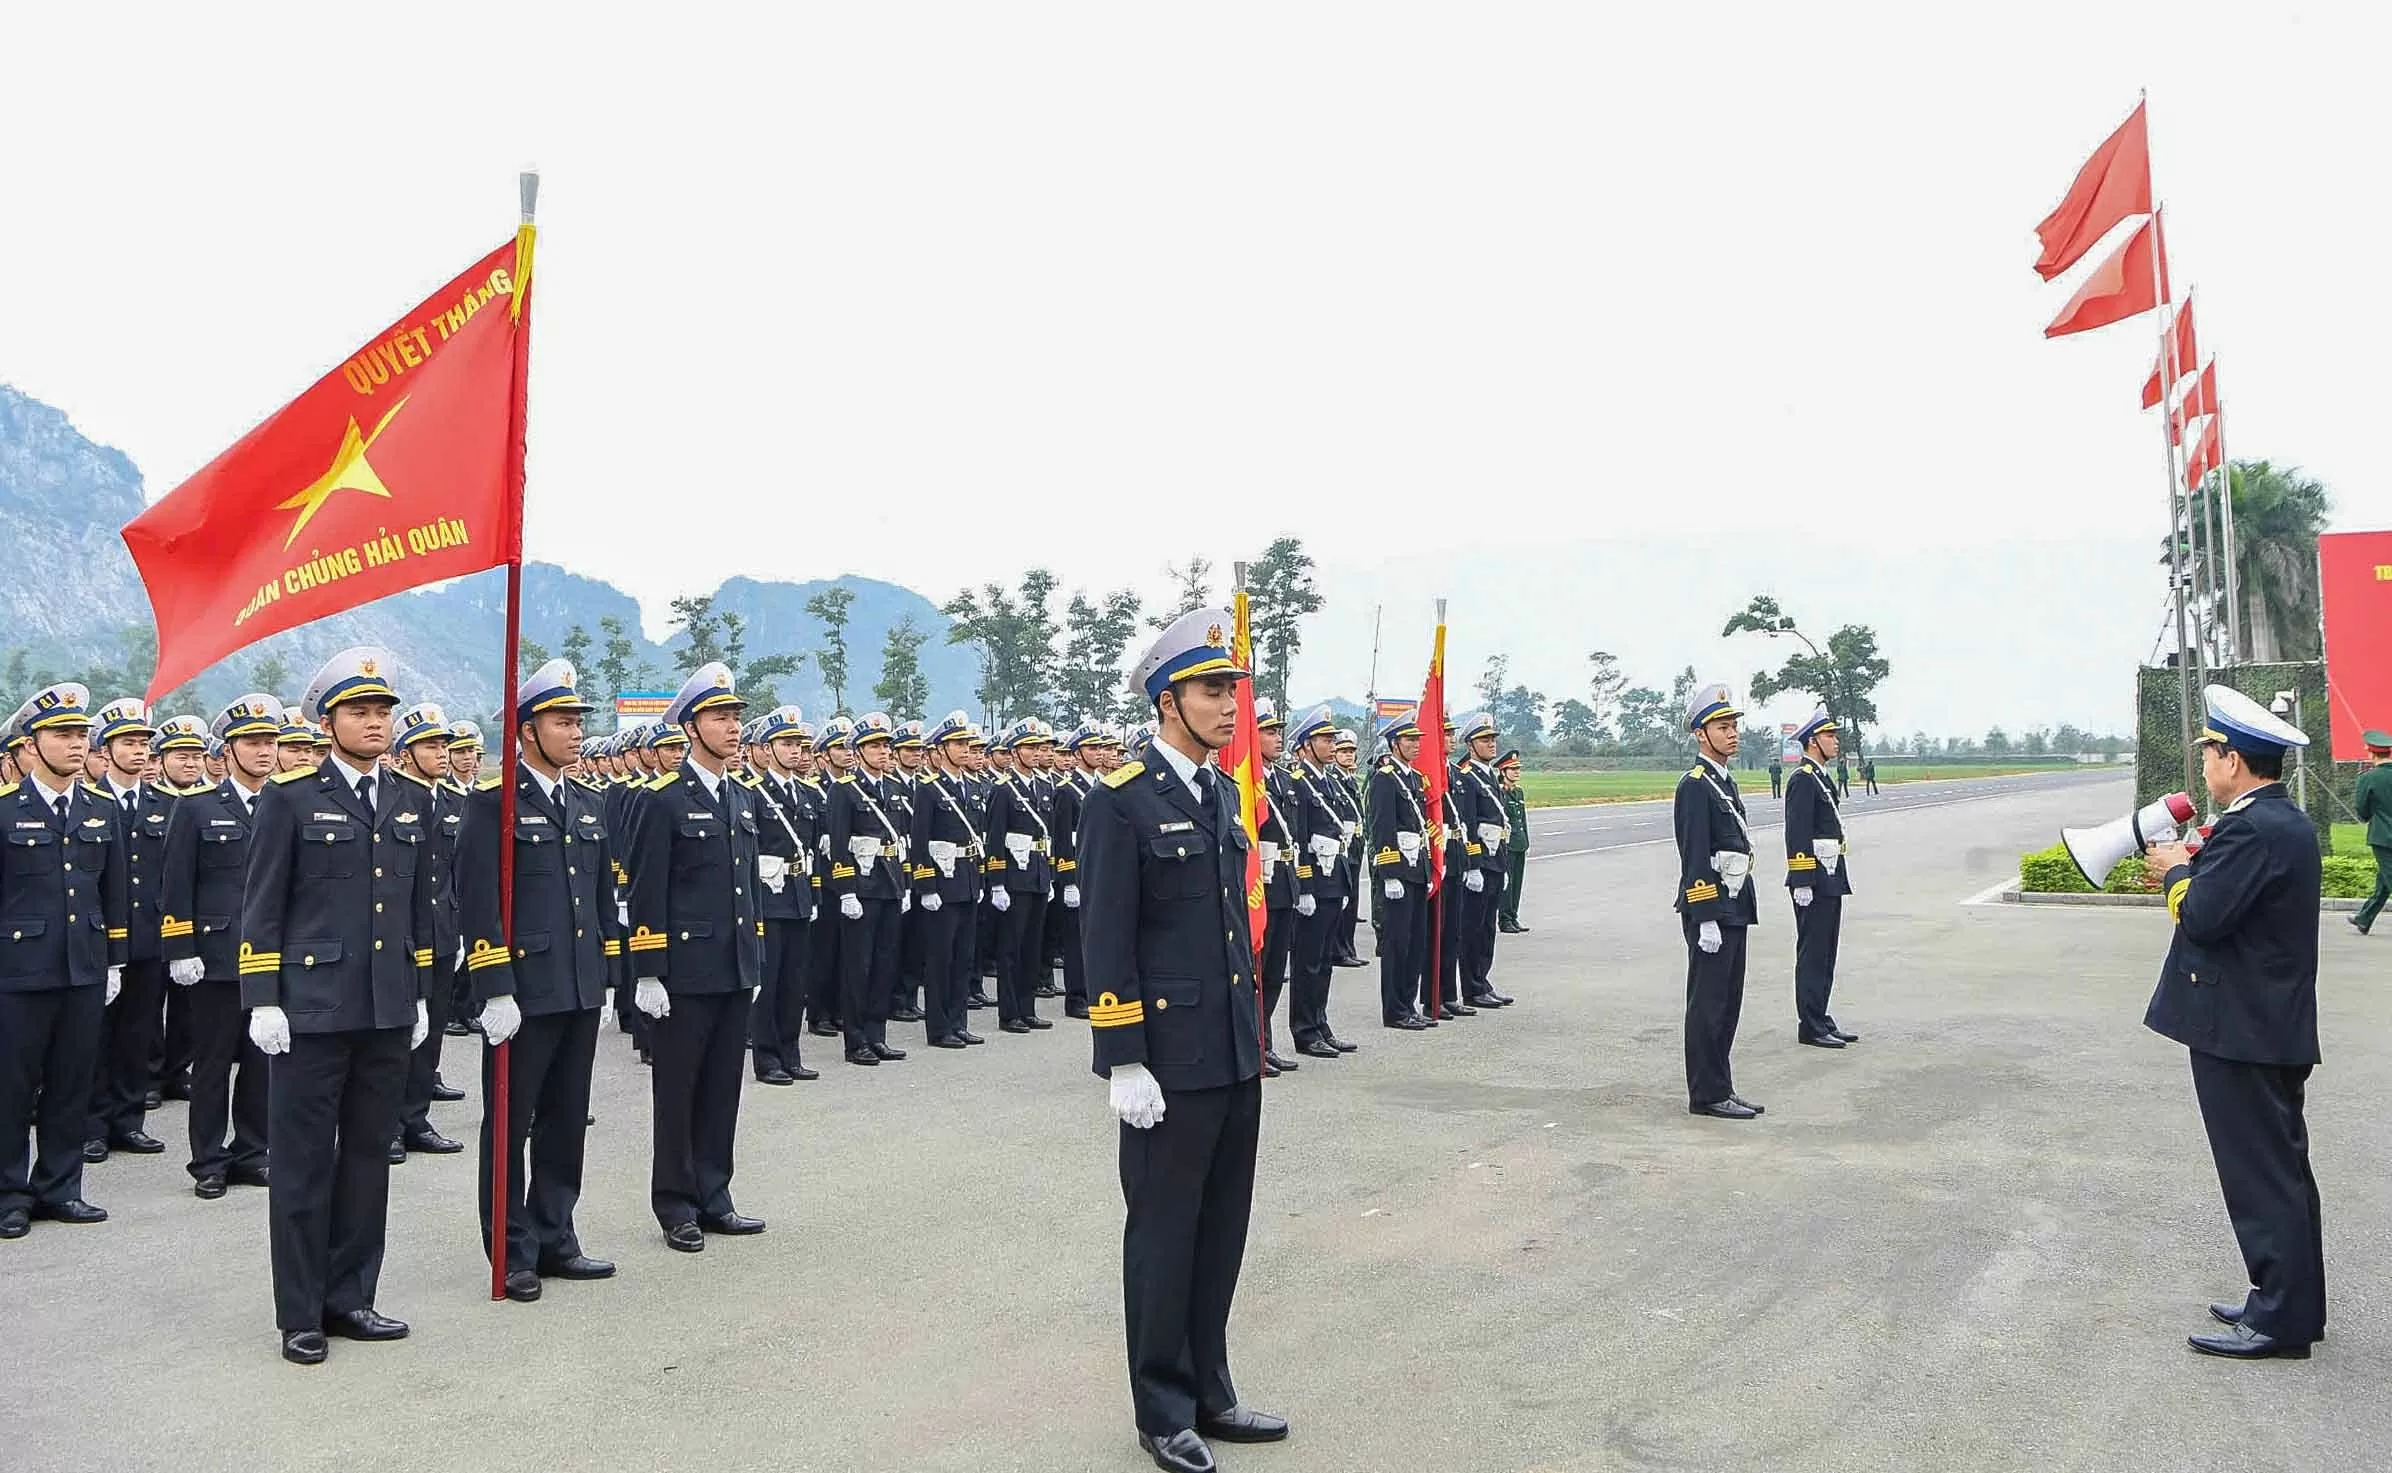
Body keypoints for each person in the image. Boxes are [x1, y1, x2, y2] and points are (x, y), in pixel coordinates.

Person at [1080, 608, 1285, 1473]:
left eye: (1235, 689)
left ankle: (1212, 1387)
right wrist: (1122, 1054)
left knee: (1221, 1230)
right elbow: (1106, 935)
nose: (1231, 705)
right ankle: (1162, 1408)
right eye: (1212, 690)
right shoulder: (1121, 801)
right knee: (1164, 1236)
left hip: (1232, 1052)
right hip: (1167, 1061)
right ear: (1169, 701)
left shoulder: (1214, 791)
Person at [240, 648, 436, 1364]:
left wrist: (418, 994)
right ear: (328, 721)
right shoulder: (289, 797)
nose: (376, 721)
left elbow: (418, 910)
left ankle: (352, 1294)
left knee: (366, 1160)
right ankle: (300, 1311)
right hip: (311, 1010)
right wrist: (262, 996)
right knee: (301, 1165)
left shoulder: (411, 798)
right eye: (360, 710)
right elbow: (262, 905)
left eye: (383, 711)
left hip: (385, 1009)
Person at [2142, 686, 2327, 1360]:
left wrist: (2176, 871)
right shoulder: (2283, 822)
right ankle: (2292, 1303)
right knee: (2284, 1170)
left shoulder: (2250, 827)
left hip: (2242, 1029)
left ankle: (2279, 1320)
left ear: (2234, 760)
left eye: (2212, 752)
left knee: (2260, 1176)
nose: (2208, 764)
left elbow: (2203, 917)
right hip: (2268, 1025)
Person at [458, 659, 621, 1302]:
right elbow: (476, 902)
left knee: (565, 1120)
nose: (576, 732)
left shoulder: (588, 802)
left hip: (577, 986)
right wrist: (492, 985)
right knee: (510, 1123)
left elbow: (601, 898)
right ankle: (511, 1249)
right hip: (522, 991)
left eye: (580, 721)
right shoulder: (492, 806)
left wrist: (606, 977)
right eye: (562, 721)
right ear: (526, 732)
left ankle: (557, 1236)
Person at [623, 662, 768, 1251]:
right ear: (690, 726)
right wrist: (648, 971)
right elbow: (645, 887)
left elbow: (747, 887)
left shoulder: (740, 796)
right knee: (678, 1090)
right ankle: (676, 1202)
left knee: (721, 1090)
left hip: (732, 968)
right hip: (683, 973)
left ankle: (716, 1193)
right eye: (719, 717)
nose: (733, 728)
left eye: (736, 717)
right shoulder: (663, 800)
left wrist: (751, 958)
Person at [0, 684, 125, 1241]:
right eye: (63, 735)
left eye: (82, 735)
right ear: (32, 745)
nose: (77, 745)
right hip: (18, 972)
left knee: (72, 1083)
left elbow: (115, 893)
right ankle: (9, 1194)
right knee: (12, 1086)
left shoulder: (101, 809)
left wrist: (114, 961)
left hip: (83, 967)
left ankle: (60, 1187)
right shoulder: (8, 811)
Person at [158, 695, 281, 1200]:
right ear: (226, 752)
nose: (264, 751)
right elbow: (175, 883)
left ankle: (253, 1152)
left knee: (261, 1063)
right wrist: (179, 947)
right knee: (211, 1065)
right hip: (214, 958)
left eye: (270, 742)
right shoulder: (197, 807)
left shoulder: (284, 801)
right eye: (252, 743)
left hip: (270, 958)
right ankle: (208, 1159)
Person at [1674, 682, 1762, 1121]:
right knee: (1708, 1005)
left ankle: (1721, 1085)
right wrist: (1705, 915)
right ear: (1700, 734)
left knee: (1728, 1003)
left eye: (1732, 726)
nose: (1732, 734)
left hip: (1735, 905)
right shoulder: (1695, 786)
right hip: (1712, 911)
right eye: (1721, 727)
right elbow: (1694, 854)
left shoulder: (1722, 782)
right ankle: (1705, 1094)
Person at [390, 702, 467, 1160]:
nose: (441, 753)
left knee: (432, 1030)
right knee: (401, 1035)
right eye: (430, 746)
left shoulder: (455, 803)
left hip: (443, 932)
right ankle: (388, 1126)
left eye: (443, 745)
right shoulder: (394, 797)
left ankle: (416, 1118)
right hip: (402, 936)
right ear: (405, 753)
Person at [827, 712, 913, 1065]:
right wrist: (846, 890)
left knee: (884, 965)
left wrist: (905, 884)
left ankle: (877, 1034)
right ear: (858, 752)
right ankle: (856, 1039)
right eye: (874, 746)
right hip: (861, 889)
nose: (882, 752)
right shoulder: (844, 791)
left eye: (885, 745)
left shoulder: (893, 788)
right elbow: (838, 842)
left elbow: (902, 840)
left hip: (890, 886)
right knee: (857, 968)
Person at [744, 707, 820, 1083]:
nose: (794, 751)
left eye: (797, 744)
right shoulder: (754, 794)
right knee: (770, 983)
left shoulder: (805, 794)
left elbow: (813, 853)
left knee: (794, 983)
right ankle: (768, 1058)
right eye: (786, 744)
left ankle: (791, 1053)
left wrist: (815, 896)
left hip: (798, 896)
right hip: (768, 897)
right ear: (766, 749)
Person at [1282, 704, 1357, 1060]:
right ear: (1305, 746)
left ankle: (1320, 1022)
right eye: (1324, 739)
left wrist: (1341, 885)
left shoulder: (1329, 782)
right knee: (1308, 962)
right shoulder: (1299, 784)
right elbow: (1299, 840)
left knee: (1324, 960)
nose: (1332, 744)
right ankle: (1305, 1030)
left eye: (1332, 738)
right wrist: (1306, 888)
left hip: (1333, 882)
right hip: (1315, 885)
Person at [1784, 705, 1860, 1050]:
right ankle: (1810, 1024)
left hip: (1829, 875)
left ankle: (1821, 1016)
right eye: (1830, 736)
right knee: (1813, 952)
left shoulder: (1821, 778)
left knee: (1826, 951)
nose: (1836, 741)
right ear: (1813, 741)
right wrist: (1801, 880)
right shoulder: (1802, 780)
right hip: (1812, 879)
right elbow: (1796, 832)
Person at [911, 712, 988, 1049]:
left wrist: (981, 880)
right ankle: (939, 1027)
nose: (964, 749)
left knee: (963, 958)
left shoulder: (972, 786)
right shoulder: (928, 789)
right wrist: (926, 886)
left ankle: (959, 1021)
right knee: (940, 959)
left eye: (966, 743)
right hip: (942, 884)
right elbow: (919, 840)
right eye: (958, 744)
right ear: (940, 749)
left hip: (968, 880)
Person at [985, 719, 1057, 1036]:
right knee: (1011, 949)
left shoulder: (1043, 787)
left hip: (1039, 874)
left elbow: (1049, 835)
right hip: (1014, 878)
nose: (1035, 753)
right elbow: (995, 837)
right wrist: (997, 882)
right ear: (1015, 752)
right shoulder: (1003, 790)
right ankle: (1010, 1012)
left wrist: (1051, 875)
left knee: (1032, 946)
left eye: (1037, 747)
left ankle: (1027, 1008)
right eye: (1028, 748)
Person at [1370, 709, 1435, 1031]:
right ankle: (1395, 1010)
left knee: (1414, 942)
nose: (1416, 745)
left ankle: (1408, 1004)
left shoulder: (1412, 777)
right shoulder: (1385, 779)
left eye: (1417, 740)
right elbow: (1382, 827)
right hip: (1398, 871)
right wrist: (1390, 872)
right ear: (1395, 743)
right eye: (1410, 740)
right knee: (1397, 945)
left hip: (1416, 869)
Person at [1452, 712, 1513, 1008]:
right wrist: (1473, 867)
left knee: (1488, 927)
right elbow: (1469, 825)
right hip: (1479, 865)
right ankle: (1472, 987)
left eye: (1492, 739)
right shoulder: (1466, 779)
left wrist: (1501, 866)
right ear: (1471, 745)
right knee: (1473, 928)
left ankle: (1483, 980)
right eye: (1484, 740)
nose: (1491, 744)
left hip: (1495, 861)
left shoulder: (1491, 777)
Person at [2347, 729, 2392, 935]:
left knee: (2389, 877)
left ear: (2370, 752)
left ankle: (2364, 918)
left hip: (2383, 837)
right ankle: (2364, 918)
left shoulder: (2368, 778)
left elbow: (2362, 809)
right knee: (2384, 879)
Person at [1495, 751, 1531, 933]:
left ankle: (1513, 916)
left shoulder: (1518, 791)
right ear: (1503, 771)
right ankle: (1505, 919)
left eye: (1518, 769)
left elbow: (1522, 820)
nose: (1517, 772)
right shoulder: (1500, 792)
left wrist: (1526, 842)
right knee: (1507, 884)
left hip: (1519, 844)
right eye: (1513, 769)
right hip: (1507, 845)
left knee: (1517, 882)